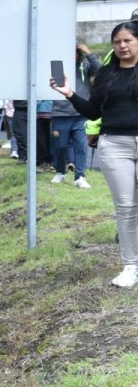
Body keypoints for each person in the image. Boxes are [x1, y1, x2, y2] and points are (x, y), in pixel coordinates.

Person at [53, 21, 138, 287]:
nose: (122, 46)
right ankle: (131, 265)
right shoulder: (105, 75)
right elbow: (93, 112)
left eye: (128, 41)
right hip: (114, 145)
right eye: (117, 42)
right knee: (126, 209)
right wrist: (69, 93)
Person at [50, 44, 101, 188]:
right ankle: (60, 171)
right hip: (60, 113)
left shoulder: (85, 66)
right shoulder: (57, 67)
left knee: (81, 146)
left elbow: (100, 71)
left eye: (75, 53)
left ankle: (80, 176)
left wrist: (88, 52)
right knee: (60, 146)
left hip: (81, 113)